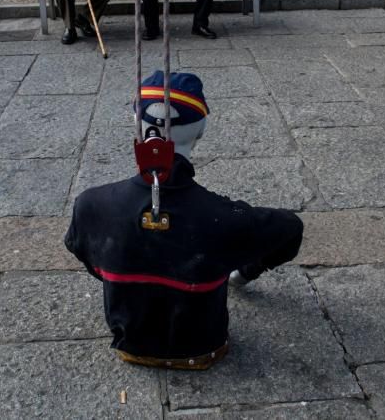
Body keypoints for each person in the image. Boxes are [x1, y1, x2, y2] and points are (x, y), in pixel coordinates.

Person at [65, 71, 304, 369]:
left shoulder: (91, 204)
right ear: (200, 132)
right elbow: (292, 228)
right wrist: (243, 273)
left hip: (130, 345)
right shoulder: (225, 218)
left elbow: (85, 254)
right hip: (204, 348)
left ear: (136, 126)